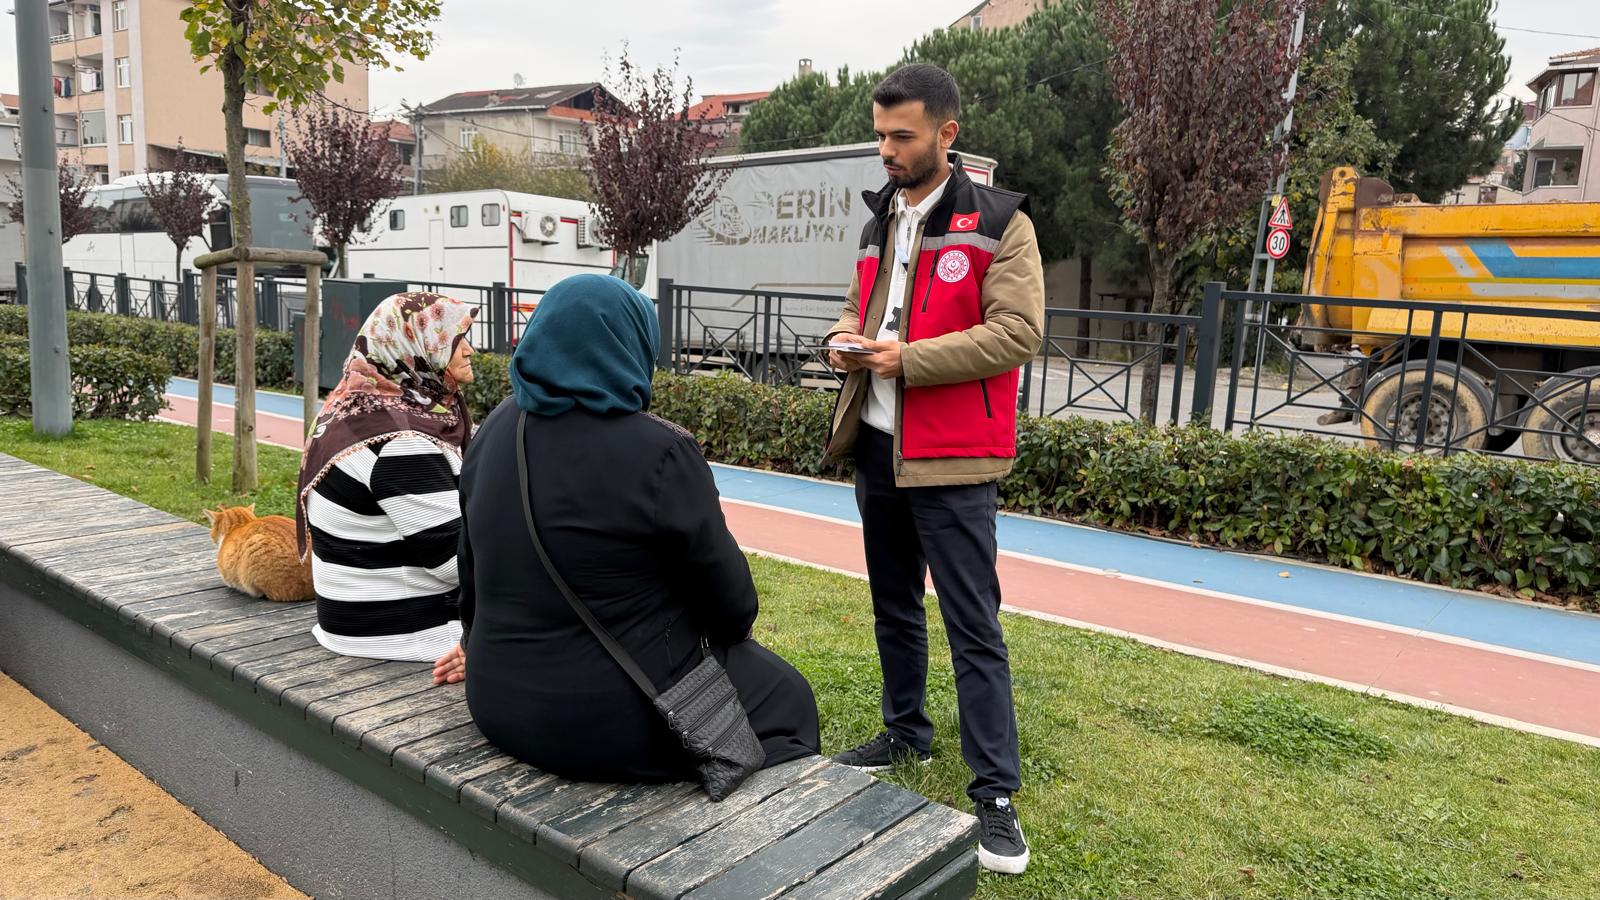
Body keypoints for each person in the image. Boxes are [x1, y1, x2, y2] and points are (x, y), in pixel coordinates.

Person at [431, 273, 819, 783]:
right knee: (787, 696)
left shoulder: (496, 430)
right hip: (608, 725)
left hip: (497, 701)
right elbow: (733, 609)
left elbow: (472, 582)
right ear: (629, 344)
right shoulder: (658, 451)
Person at [821, 63, 1045, 876]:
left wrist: (907, 359)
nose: (886, 150)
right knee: (892, 606)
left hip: (954, 460)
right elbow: (863, 306)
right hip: (879, 449)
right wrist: (844, 337)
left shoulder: (1002, 222)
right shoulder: (879, 215)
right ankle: (905, 732)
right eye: (879, 135)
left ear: (946, 135)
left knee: (972, 626)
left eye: (901, 136)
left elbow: (1017, 331)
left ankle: (994, 792)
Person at [295, 291, 477, 663]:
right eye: (456, 340)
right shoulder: (402, 442)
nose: (470, 350)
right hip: (409, 634)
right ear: (417, 347)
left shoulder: (352, 408)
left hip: (356, 621)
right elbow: (457, 564)